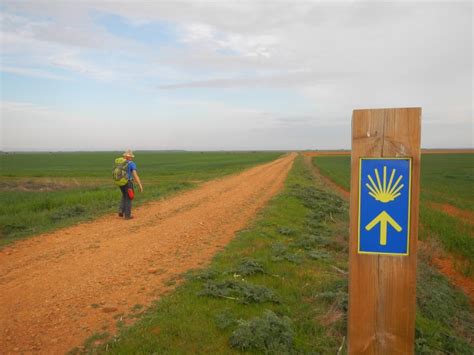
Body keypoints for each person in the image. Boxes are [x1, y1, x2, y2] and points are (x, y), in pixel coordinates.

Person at [118, 150, 143, 219]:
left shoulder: (120, 163)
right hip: (128, 183)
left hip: (120, 183)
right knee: (129, 198)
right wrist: (140, 185)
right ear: (129, 157)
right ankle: (127, 216)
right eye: (131, 157)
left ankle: (121, 210)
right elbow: (135, 175)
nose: (132, 158)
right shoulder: (131, 164)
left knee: (124, 195)